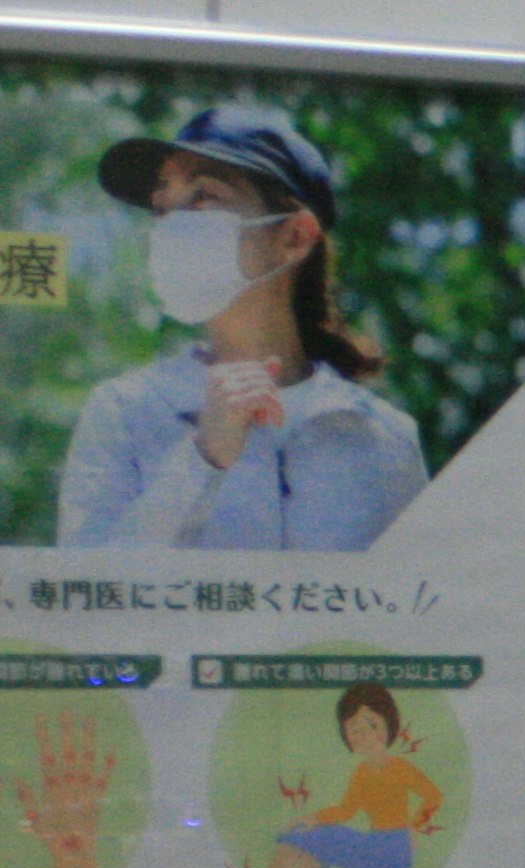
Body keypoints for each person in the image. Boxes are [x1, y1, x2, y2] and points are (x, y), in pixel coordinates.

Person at [58, 105, 426, 552]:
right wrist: (202, 458)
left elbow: (414, 610)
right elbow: (82, 601)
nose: (173, 225)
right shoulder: (125, 411)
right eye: (162, 208)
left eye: (202, 197)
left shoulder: (383, 437)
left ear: (294, 236)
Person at [232, 682, 439, 868]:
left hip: (391, 856)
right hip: (371, 845)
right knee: (311, 844)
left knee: (314, 840)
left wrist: (413, 828)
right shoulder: (361, 772)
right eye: (354, 729)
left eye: (371, 725)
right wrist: (311, 819)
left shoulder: (400, 768)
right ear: (347, 736)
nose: (363, 735)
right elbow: (346, 810)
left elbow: (433, 796)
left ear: (388, 726)